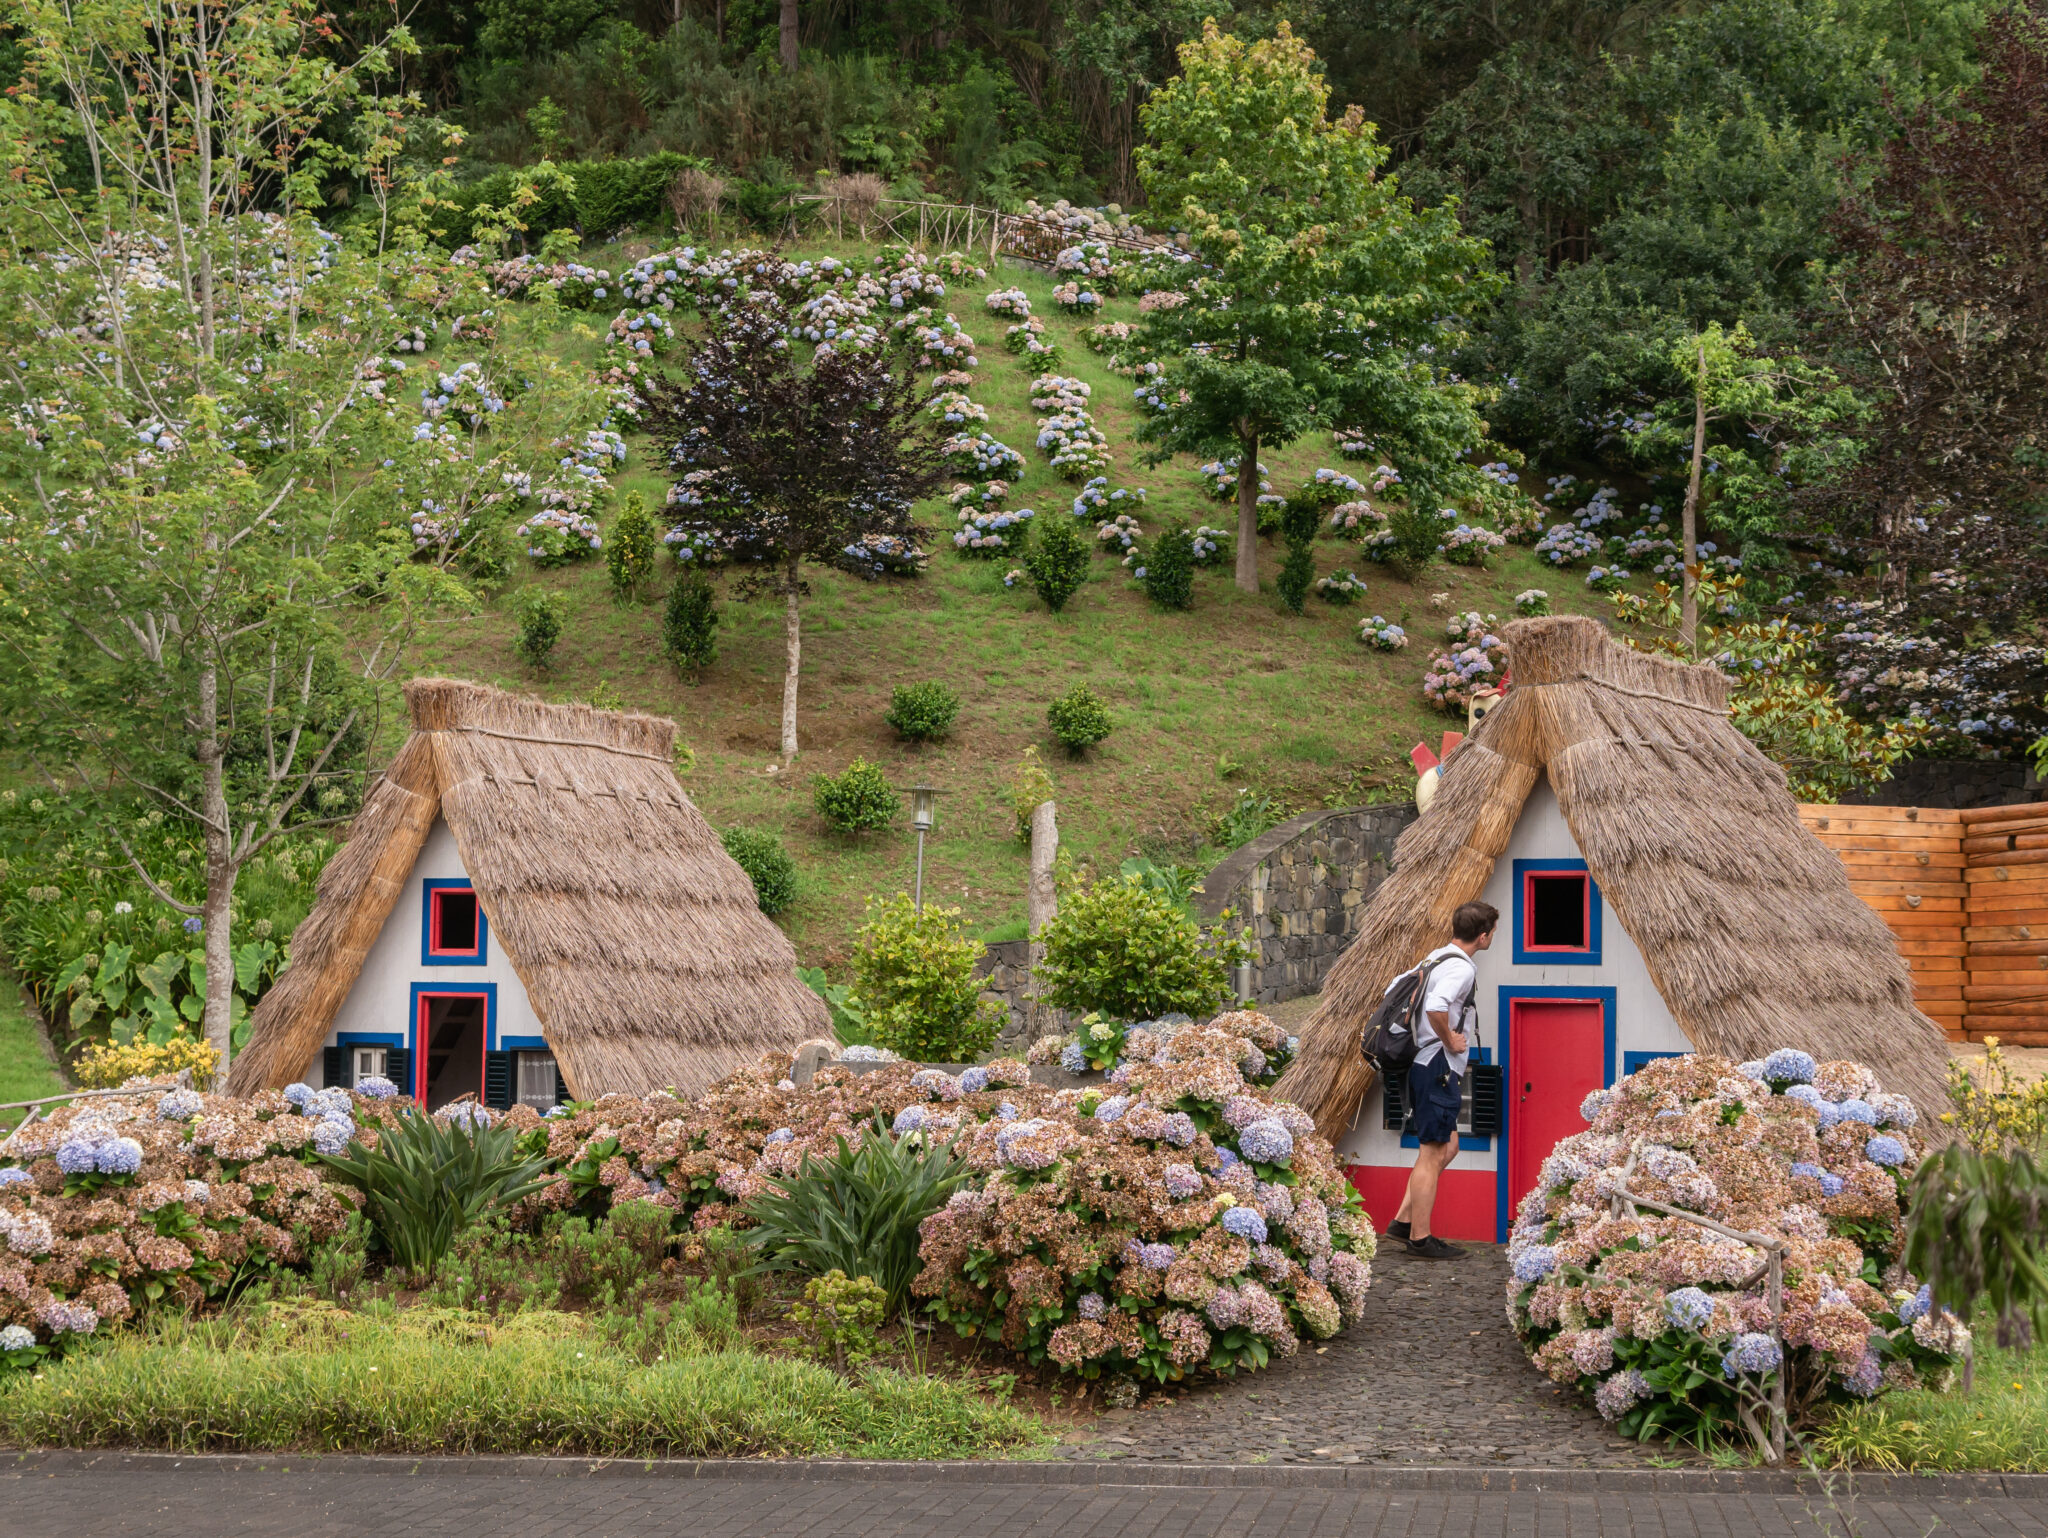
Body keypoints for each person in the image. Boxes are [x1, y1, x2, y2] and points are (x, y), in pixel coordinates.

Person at [1386, 900, 1498, 1259]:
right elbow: (1435, 1006)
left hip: (1427, 1064)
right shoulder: (1461, 970)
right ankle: (1420, 1239)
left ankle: (1403, 1221)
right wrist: (1450, 1038)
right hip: (1436, 1066)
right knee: (1432, 1153)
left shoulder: (1435, 957)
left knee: (1448, 1147)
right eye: (1492, 932)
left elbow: (1394, 989)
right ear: (1483, 936)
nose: (1492, 936)